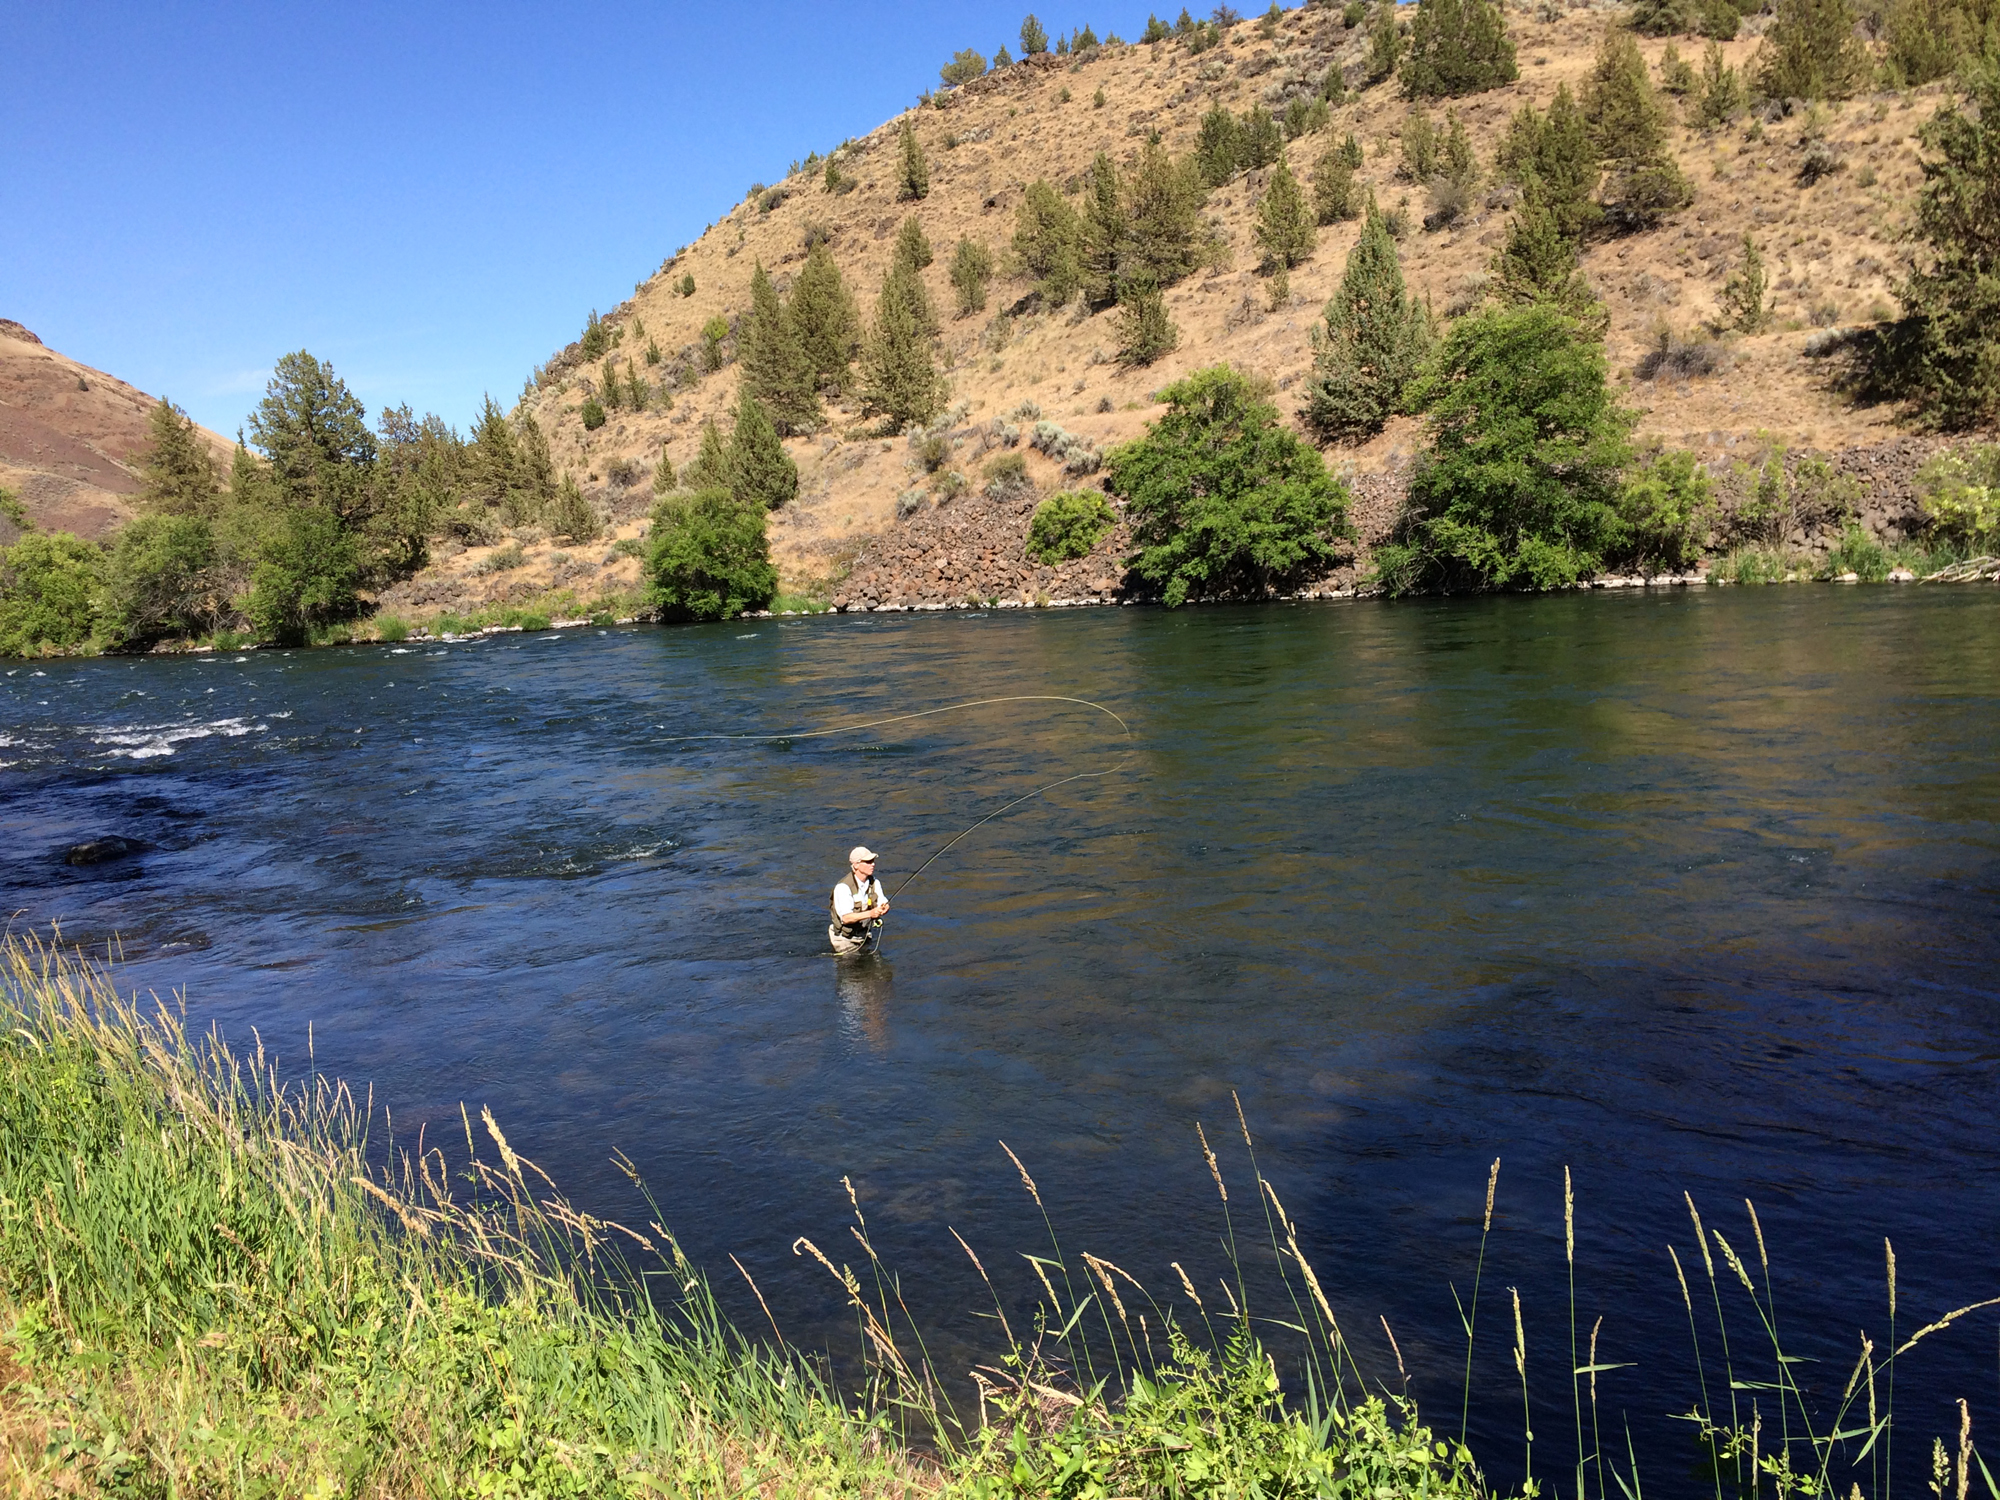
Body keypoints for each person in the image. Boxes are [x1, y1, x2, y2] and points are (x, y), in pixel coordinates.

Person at [829, 845, 889, 955]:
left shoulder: (875, 882)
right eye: (868, 862)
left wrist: (885, 907)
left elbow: (882, 901)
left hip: (864, 936)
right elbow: (846, 918)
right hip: (844, 940)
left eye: (873, 861)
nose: (873, 864)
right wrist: (871, 913)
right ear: (856, 865)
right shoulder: (843, 887)